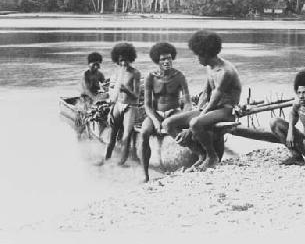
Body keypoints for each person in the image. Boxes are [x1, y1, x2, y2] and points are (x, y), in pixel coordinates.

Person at [163, 30, 242, 171]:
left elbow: (214, 101)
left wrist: (191, 125)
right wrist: (197, 109)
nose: (197, 59)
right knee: (168, 123)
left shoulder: (225, 72)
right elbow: (206, 93)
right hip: (212, 108)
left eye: (198, 55)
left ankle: (212, 156)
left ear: (206, 54)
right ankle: (200, 154)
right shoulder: (209, 67)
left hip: (226, 109)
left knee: (194, 124)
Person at [229, 69, 305, 169]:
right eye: (299, 92)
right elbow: (292, 115)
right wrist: (290, 132)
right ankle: (296, 155)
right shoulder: (298, 104)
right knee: (275, 122)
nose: (301, 96)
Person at [140, 42, 192, 182]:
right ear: (158, 60)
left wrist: (183, 117)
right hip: (155, 113)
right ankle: (145, 173)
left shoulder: (179, 76)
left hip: (173, 112)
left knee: (184, 129)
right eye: (163, 59)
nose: (166, 61)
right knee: (144, 132)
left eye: (169, 58)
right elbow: (147, 105)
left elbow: (187, 103)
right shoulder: (150, 77)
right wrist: (156, 121)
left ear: (172, 58)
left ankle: (194, 155)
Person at [102, 42, 141, 166]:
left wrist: (125, 90)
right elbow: (113, 96)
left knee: (127, 135)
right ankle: (106, 158)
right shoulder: (116, 73)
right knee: (113, 134)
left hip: (130, 106)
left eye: (126, 60)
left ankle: (122, 161)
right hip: (117, 105)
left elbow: (136, 95)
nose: (123, 63)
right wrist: (110, 111)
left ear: (130, 59)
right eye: (121, 61)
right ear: (117, 61)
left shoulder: (135, 73)